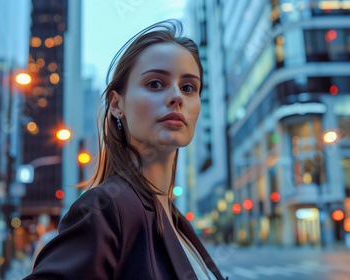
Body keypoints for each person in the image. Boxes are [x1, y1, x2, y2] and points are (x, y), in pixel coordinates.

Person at [23, 19, 227, 280]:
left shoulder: (174, 221)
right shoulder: (106, 209)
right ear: (117, 104)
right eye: (155, 83)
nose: (177, 96)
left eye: (188, 87)